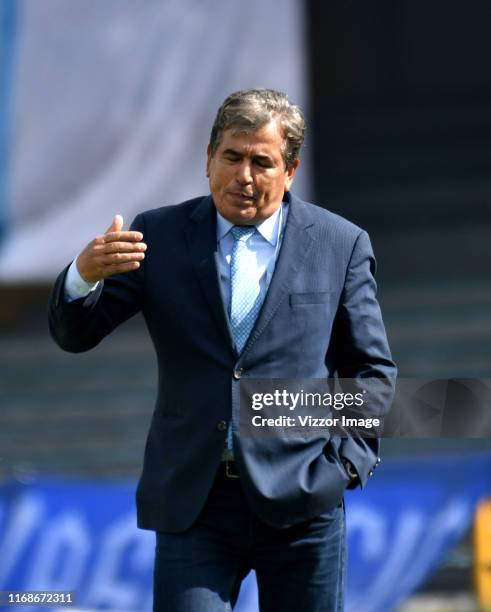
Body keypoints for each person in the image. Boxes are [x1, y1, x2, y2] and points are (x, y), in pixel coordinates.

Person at [48, 88, 396, 612]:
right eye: (232, 157)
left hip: (304, 504)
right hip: (196, 503)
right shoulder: (157, 235)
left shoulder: (339, 244)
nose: (245, 176)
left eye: (263, 161)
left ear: (291, 170)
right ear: (208, 158)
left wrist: (345, 464)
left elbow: (371, 372)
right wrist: (81, 277)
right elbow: (77, 336)